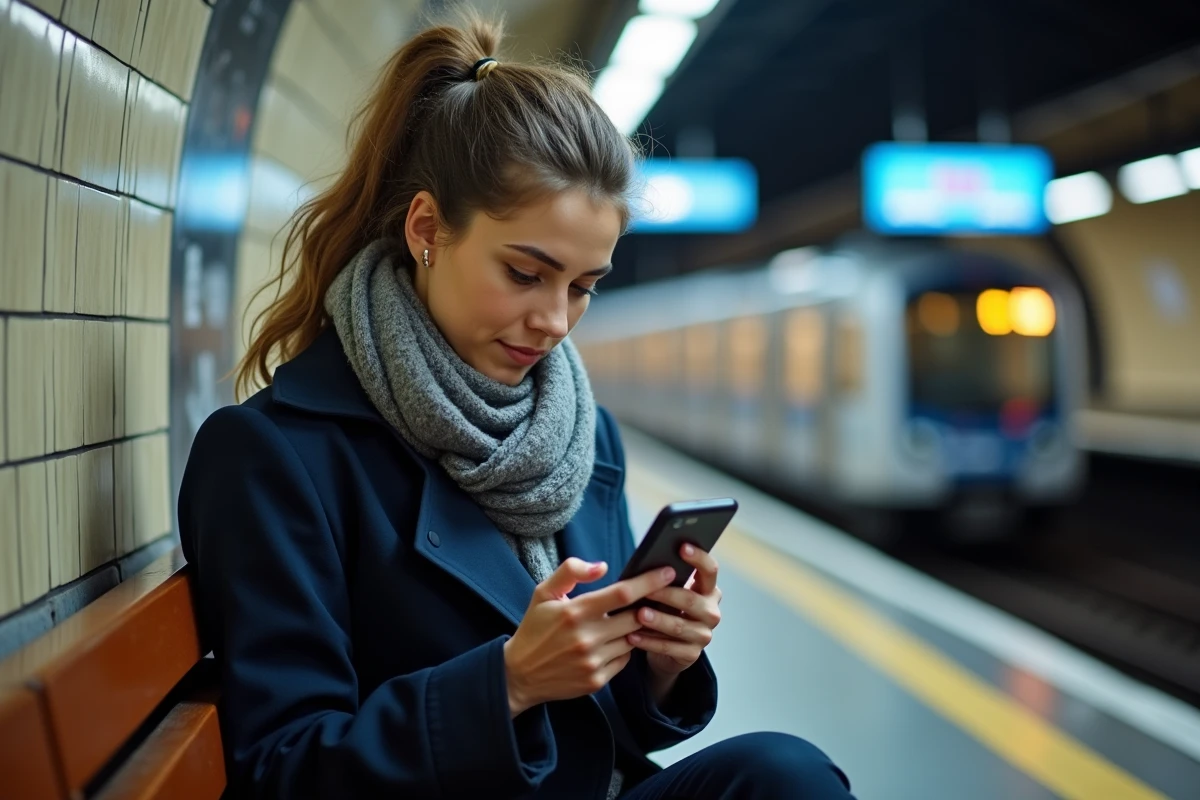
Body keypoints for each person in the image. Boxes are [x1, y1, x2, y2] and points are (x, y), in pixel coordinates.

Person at [178, 13, 854, 800]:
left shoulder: (580, 434)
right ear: (428, 230)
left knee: (785, 772)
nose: (556, 321)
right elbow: (284, 768)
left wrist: (663, 662)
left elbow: (608, 726)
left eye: (583, 287)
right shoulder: (275, 456)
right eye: (526, 275)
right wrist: (506, 684)